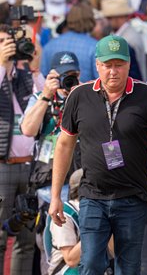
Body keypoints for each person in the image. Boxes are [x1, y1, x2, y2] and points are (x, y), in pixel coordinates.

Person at [48, 35, 147, 275]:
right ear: (98, 65)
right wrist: (56, 195)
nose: (113, 71)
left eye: (119, 65)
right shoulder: (79, 96)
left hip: (133, 197)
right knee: (90, 263)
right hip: (92, 196)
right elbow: (63, 146)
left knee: (128, 268)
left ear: (129, 64)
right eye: (108, 65)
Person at [21, 51, 82, 274]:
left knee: (82, 247)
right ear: (52, 76)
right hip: (48, 189)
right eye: (64, 76)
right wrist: (46, 96)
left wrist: (81, 94)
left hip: (79, 185)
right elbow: (27, 129)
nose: (69, 81)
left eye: (73, 75)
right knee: (49, 249)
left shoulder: (85, 96)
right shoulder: (41, 99)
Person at [0, 23, 44, 274]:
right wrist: (2, 65)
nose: (7, 46)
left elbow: (47, 95)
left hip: (30, 166)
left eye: (10, 41)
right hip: (3, 166)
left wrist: (34, 65)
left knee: (26, 241)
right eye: (1, 41)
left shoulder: (24, 77)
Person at [45, 169, 83, 275]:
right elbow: (71, 260)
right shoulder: (65, 213)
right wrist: (98, 229)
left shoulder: (102, 210)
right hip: (66, 271)